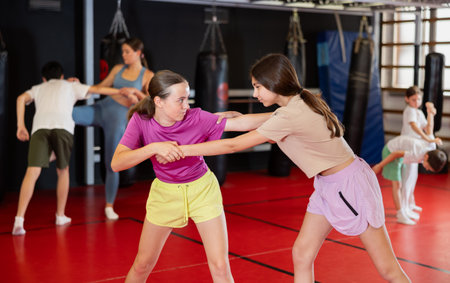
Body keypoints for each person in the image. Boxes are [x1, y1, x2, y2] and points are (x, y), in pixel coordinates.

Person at [168, 54, 411, 282]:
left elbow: (233, 145)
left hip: (349, 187)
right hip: (328, 185)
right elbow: (240, 121)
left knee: (388, 269)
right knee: (302, 253)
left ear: (273, 84)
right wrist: (193, 119)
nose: (255, 94)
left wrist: (182, 149)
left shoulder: (290, 115)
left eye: (257, 87)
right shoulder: (294, 106)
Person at [111, 70, 270, 282]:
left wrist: (288, 113)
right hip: (165, 195)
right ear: (159, 101)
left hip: (202, 190)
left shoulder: (196, 117)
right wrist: (153, 148)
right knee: (142, 265)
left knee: (221, 266)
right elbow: (117, 163)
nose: (187, 105)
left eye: (187, 98)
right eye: (181, 100)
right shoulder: (141, 121)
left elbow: (242, 124)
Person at [13, 61, 122, 236]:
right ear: (62, 76)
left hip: (40, 128)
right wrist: (121, 91)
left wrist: (20, 125)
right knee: (63, 171)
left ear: (44, 78)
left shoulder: (38, 87)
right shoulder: (70, 85)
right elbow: (98, 90)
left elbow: (20, 98)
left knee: (32, 171)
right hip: (62, 128)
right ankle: (60, 215)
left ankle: (19, 220)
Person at [73, 37, 154, 220]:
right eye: (123, 51)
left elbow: (151, 104)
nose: (123, 55)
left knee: (111, 163)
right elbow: (99, 88)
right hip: (101, 109)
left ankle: (109, 205)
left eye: (127, 52)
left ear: (138, 53)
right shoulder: (118, 69)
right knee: (67, 114)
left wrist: (134, 94)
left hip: (118, 119)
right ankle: (51, 150)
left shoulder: (147, 75)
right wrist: (78, 86)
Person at [372, 135, 446, 225]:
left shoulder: (431, 149)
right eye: (428, 167)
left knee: (401, 183)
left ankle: (404, 210)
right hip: (390, 151)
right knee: (397, 185)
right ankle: (400, 215)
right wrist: (380, 165)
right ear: (426, 157)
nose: (426, 169)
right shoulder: (417, 154)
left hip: (398, 154)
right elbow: (395, 154)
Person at [400, 86, 441, 221]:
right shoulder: (410, 110)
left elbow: (428, 127)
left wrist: (430, 113)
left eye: (418, 99)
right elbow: (415, 127)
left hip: (417, 148)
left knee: (413, 177)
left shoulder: (418, 112)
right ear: (407, 99)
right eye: (413, 100)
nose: (416, 102)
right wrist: (427, 139)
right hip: (408, 147)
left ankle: (410, 204)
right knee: (406, 180)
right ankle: (403, 209)